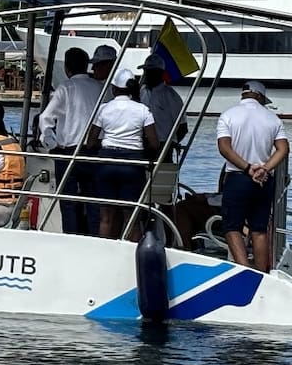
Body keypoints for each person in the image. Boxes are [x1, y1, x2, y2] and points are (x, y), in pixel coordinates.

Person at [215, 80, 289, 272]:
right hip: (264, 181)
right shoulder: (273, 119)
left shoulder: (228, 116)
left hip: (238, 177)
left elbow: (224, 148)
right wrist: (265, 168)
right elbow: (283, 149)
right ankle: (262, 273)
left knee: (232, 228)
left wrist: (248, 168)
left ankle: (244, 270)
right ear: (260, 97)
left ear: (243, 95)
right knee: (259, 230)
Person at [37, 46, 104, 234]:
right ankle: (94, 237)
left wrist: (51, 143)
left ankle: (71, 236)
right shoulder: (100, 88)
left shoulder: (66, 88)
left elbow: (45, 119)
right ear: (86, 66)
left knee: (68, 203)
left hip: (67, 152)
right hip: (93, 151)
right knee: (93, 202)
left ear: (67, 68)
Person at [84, 67, 158, 240]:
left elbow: (91, 141)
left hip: (107, 162)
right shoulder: (143, 110)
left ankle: (103, 254)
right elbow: (154, 143)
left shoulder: (103, 108)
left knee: (106, 217)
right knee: (132, 217)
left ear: (114, 89)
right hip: (133, 165)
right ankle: (132, 257)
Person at [138, 53, 188, 153]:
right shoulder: (140, 91)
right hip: (140, 144)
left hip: (163, 146)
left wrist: (170, 144)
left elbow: (182, 127)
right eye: (145, 71)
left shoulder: (172, 96)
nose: (146, 74)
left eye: (150, 71)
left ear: (160, 73)